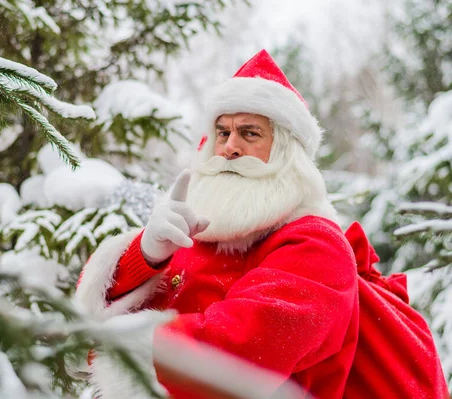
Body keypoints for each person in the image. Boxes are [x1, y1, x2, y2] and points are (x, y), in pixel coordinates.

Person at [74, 50, 448, 399]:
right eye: (222, 132)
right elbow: (102, 306)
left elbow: (242, 347)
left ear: (285, 151)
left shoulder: (316, 244)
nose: (229, 147)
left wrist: (110, 348)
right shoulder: (204, 228)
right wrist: (146, 255)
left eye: (249, 133)